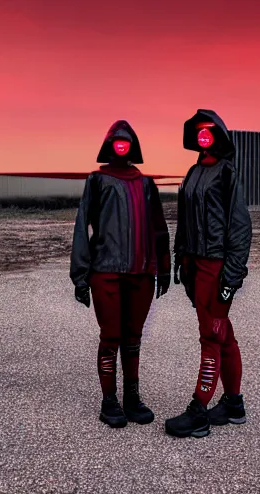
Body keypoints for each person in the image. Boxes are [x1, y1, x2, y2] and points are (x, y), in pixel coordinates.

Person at [70, 120, 171, 428]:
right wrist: (80, 275)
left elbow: (158, 228)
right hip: (106, 272)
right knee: (111, 336)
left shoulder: (145, 183)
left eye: (126, 142)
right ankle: (109, 400)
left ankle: (132, 398)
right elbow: (81, 225)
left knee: (133, 338)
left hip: (140, 273)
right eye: (117, 141)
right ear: (109, 145)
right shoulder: (97, 180)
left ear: (133, 146)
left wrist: (163, 267)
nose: (121, 145)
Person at [165, 109, 252, 438]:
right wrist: (180, 259)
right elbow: (184, 221)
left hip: (217, 267)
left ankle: (199, 411)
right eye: (199, 132)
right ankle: (233, 404)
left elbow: (241, 230)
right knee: (224, 334)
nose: (204, 136)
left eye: (209, 131)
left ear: (219, 135)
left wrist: (231, 278)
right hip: (195, 267)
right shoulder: (192, 172)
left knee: (212, 334)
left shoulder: (227, 174)